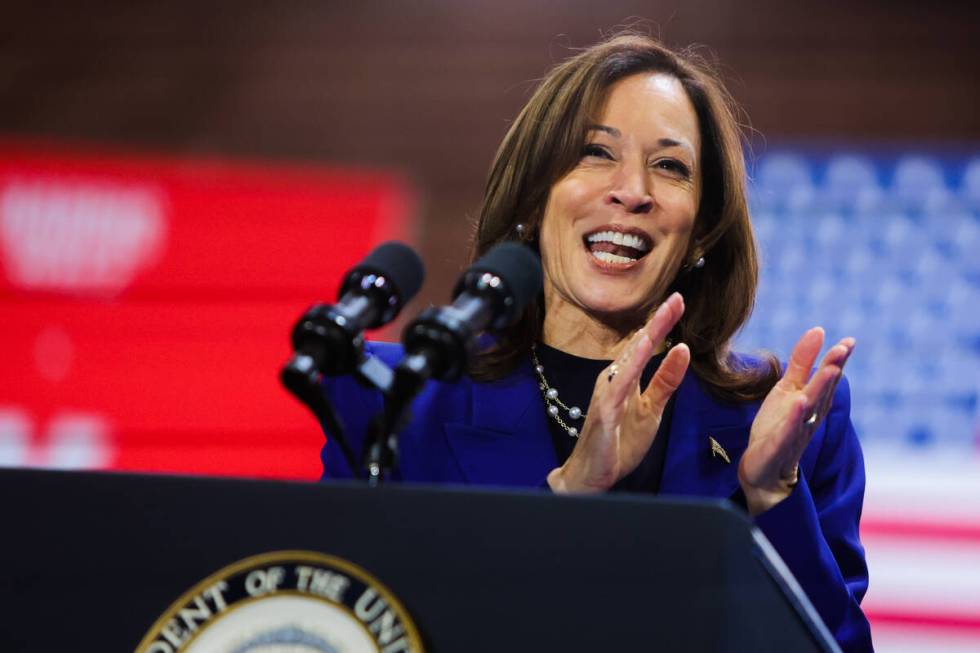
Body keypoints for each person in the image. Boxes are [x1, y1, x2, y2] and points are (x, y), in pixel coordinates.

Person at [320, 33, 872, 652]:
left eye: (670, 166)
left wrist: (772, 498)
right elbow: (354, 631)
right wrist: (568, 497)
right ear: (534, 198)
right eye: (595, 153)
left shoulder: (795, 427)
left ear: (700, 234)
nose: (632, 190)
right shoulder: (398, 401)